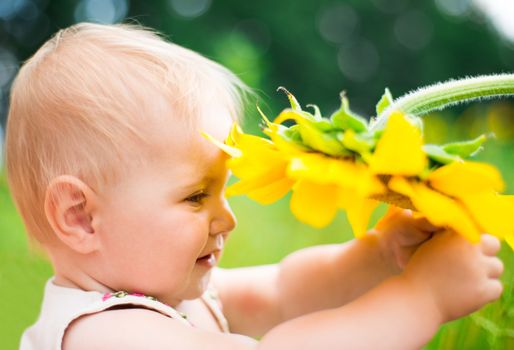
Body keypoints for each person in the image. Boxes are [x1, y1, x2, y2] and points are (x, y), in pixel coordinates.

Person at [6, 23, 503, 350]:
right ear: (79, 217)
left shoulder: (169, 298)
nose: (227, 218)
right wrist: (424, 298)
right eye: (195, 196)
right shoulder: (105, 335)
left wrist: (379, 254)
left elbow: (284, 289)